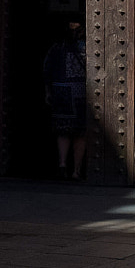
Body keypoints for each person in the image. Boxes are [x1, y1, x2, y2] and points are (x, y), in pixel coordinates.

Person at [43, 16, 88, 180]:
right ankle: (76, 171)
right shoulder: (87, 47)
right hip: (81, 94)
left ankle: (62, 164)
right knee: (80, 133)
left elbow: (46, 71)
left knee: (63, 132)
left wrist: (48, 92)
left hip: (61, 92)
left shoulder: (57, 47)